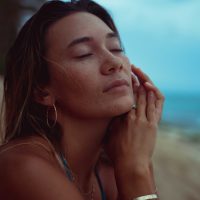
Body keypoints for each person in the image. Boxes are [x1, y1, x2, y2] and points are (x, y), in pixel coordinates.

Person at [0, 0, 164, 200]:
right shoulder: (22, 167)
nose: (114, 63)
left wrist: (138, 162)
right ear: (41, 92)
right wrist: (136, 170)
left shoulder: (112, 168)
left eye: (115, 48)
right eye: (84, 54)